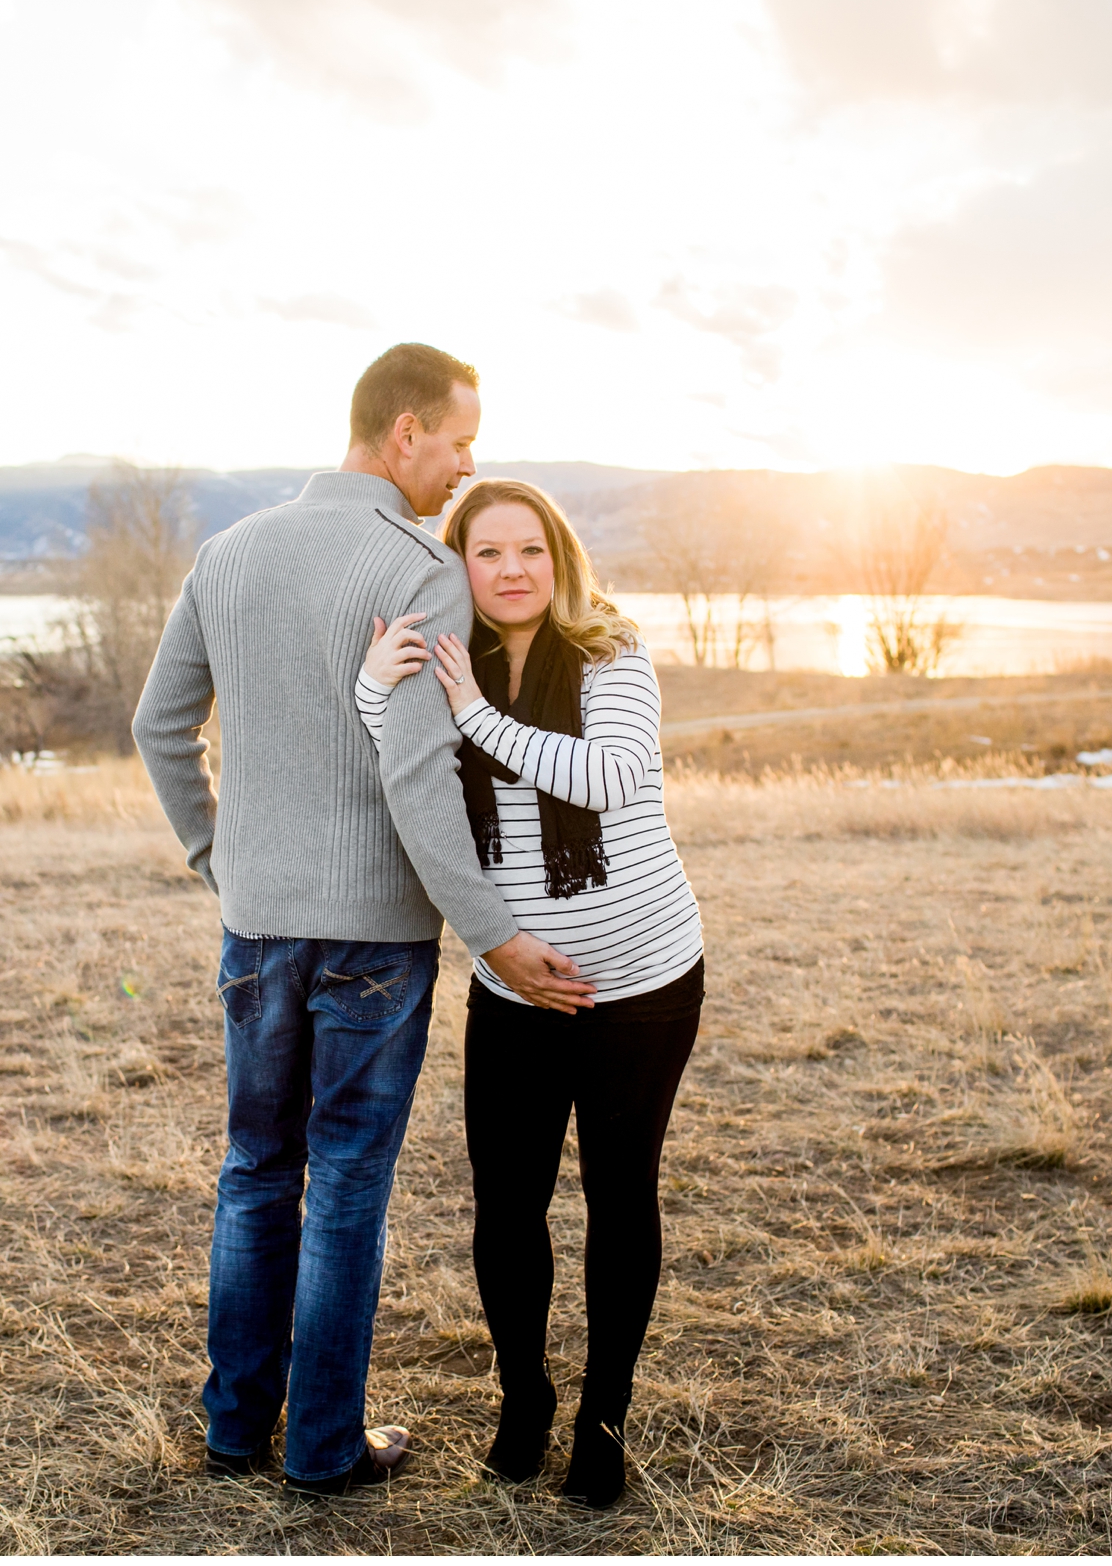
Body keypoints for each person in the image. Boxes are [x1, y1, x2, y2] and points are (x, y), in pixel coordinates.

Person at [132, 346, 594, 1498]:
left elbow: (157, 725)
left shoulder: (227, 554)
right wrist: (492, 930)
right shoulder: (416, 570)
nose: (467, 466)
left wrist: (218, 856)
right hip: (376, 937)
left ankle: (235, 1426)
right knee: (342, 1183)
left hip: (258, 920)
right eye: (459, 441)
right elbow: (419, 779)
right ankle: (325, 1445)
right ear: (404, 435)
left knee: (253, 1168)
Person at [355, 478, 704, 1509]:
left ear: (560, 561)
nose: (511, 569)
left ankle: (603, 1418)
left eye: (531, 550)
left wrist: (475, 711)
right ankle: (525, 1399)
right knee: (507, 1207)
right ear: (455, 564)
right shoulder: (434, 657)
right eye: (487, 551)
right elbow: (405, 771)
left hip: (641, 983)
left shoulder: (612, 652)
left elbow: (610, 775)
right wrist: (383, 688)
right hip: (512, 990)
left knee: (618, 1196)